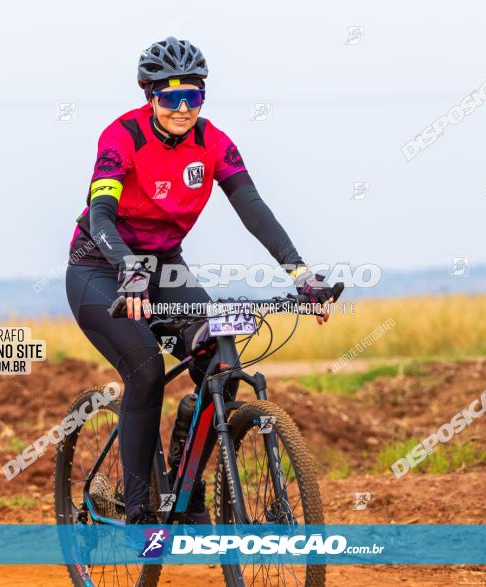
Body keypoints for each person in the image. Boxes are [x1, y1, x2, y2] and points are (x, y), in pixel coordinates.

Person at [65, 37, 336, 525]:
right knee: (146, 369)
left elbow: (253, 210)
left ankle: (185, 491)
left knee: (218, 355)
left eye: (193, 95)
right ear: (150, 96)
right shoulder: (121, 137)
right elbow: (102, 213)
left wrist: (300, 273)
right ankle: (140, 509)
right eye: (170, 97)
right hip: (100, 267)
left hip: (164, 267)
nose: (182, 107)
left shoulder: (214, 143)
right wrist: (127, 268)